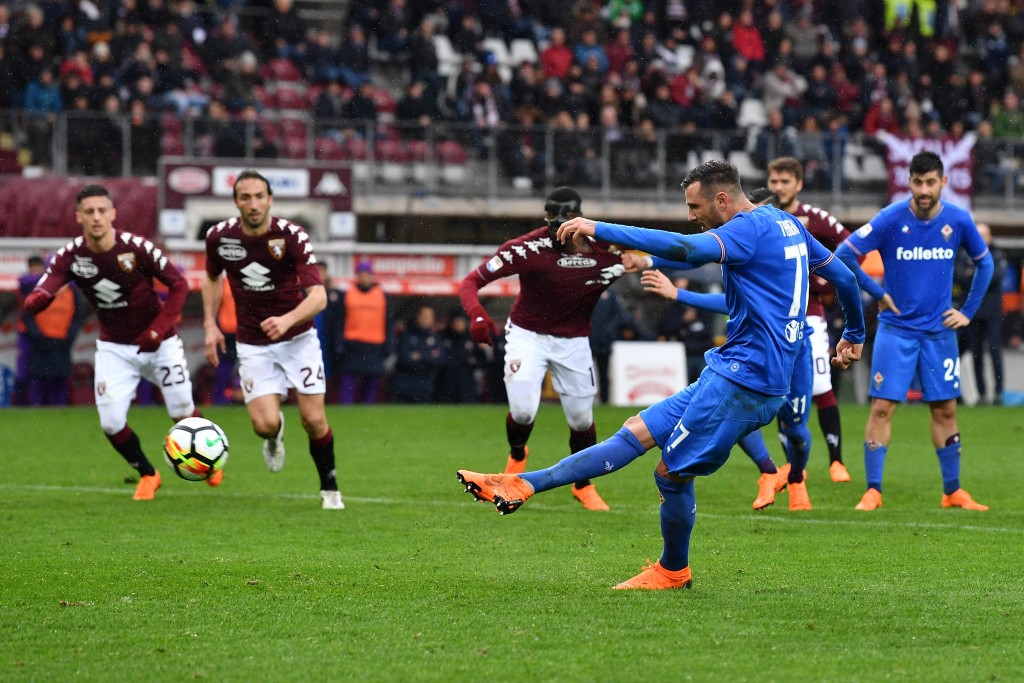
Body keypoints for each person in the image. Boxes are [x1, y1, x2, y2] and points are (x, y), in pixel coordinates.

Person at [457, 160, 866, 589]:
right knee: (633, 432)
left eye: (695, 206)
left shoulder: (746, 229)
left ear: (722, 198)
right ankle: (521, 483)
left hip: (749, 382)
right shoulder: (785, 223)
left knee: (670, 473)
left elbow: (686, 250)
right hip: (731, 370)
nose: (692, 217)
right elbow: (842, 275)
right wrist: (853, 333)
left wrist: (600, 228)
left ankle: (673, 571)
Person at [835, 151, 994, 512]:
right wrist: (877, 293)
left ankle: (952, 491)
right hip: (897, 332)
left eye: (930, 182)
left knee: (945, 410)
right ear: (909, 182)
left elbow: (984, 264)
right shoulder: (891, 218)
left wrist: (967, 312)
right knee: (882, 408)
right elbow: (845, 254)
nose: (924, 190)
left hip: (939, 334)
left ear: (943, 182)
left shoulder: (958, 218)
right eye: (918, 182)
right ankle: (873, 490)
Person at [24, 185, 200, 500]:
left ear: (113, 214)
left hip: (160, 343)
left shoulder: (137, 248)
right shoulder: (71, 255)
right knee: (111, 422)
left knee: (182, 412)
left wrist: (159, 328)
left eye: (102, 210)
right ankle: (148, 473)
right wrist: (39, 297)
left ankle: (206, 461)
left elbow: (179, 284)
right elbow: (49, 282)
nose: (96, 217)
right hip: (114, 348)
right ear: (78, 216)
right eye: (89, 212)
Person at [459, 187, 627, 511]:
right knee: (523, 411)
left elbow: (662, 254)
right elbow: (470, 282)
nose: (558, 228)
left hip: (574, 341)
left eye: (565, 219)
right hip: (528, 335)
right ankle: (518, 453)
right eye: (552, 221)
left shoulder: (609, 246)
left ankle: (582, 484)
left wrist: (649, 262)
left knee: (581, 421)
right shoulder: (527, 247)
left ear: (580, 217)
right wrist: (477, 314)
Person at [201, 170, 344, 510]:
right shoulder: (219, 238)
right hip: (252, 343)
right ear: (236, 202)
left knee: (314, 420)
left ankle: (330, 489)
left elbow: (319, 297)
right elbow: (210, 279)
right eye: (245, 197)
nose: (253, 204)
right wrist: (210, 324)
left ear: (270, 199)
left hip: (298, 339)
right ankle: (274, 436)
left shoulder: (291, 236)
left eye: (259, 197)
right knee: (263, 425)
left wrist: (288, 319)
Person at [767, 157, 854, 482]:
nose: (778, 187)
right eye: (774, 181)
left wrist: (824, 282)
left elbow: (850, 246)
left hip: (810, 316)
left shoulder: (814, 218)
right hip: (773, 319)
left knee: (820, 385)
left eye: (785, 181)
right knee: (779, 390)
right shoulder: (761, 219)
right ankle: (790, 465)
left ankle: (836, 460)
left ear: (798, 184)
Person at [956, 223, 1007, 405]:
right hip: (973, 311)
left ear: (990, 236)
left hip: (993, 312)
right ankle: (982, 394)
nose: (981, 238)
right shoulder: (964, 254)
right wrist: (979, 274)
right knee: (975, 352)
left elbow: (993, 277)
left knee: (995, 350)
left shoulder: (998, 253)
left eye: (984, 234)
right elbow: (959, 277)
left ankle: (999, 392)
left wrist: (974, 274)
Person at [336, 259, 391, 405]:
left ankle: (368, 409)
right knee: (349, 381)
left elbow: (388, 322)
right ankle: (345, 408)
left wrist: (388, 345)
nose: (364, 277)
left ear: (372, 275)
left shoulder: (382, 295)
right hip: (353, 344)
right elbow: (340, 320)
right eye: (361, 273)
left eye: (367, 274)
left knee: (372, 382)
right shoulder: (348, 294)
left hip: (374, 345)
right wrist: (339, 343)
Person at [388, 304, 448, 403]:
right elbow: (404, 358)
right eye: (424, 316)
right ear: (417, 316)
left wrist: (420, 356)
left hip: (426, 385)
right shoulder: (406, 335)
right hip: (403, 385)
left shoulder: (436, 338)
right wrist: (428, 357)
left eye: (429, 316)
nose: (426, 319)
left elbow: (442, 360)